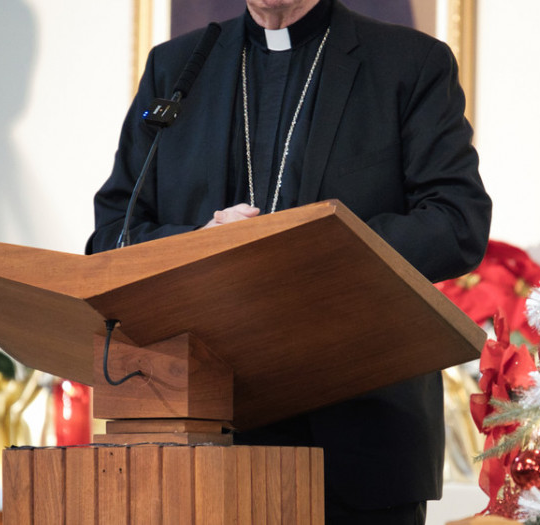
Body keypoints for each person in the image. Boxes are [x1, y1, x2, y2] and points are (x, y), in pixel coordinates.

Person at [87, 0, 491, 522]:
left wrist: (309, 250)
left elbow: (456, 223)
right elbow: (111, 237)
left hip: (361, 439)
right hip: (204, 441)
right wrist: (201, 244)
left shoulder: (407, 62)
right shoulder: (178, 68)